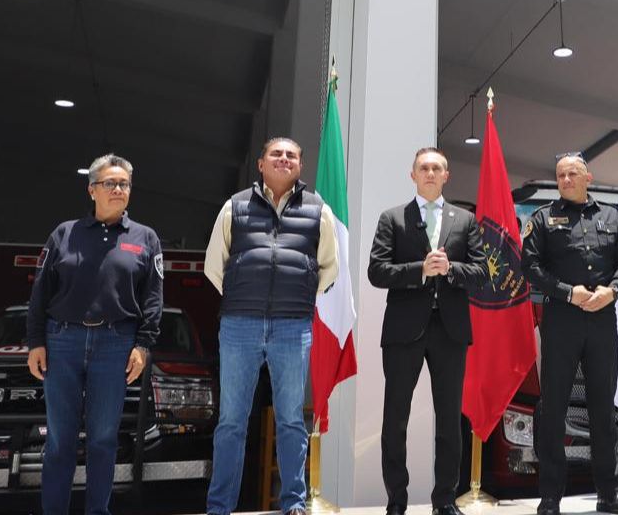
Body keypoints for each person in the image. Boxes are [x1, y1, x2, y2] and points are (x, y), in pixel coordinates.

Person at [202, 137, 339, 515]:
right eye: (276, 154)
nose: (283, 159)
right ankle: (219, 506)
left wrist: (302, 296)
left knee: (291, 419)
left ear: (300, 164)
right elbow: (215, 265)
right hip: (238, 326)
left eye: (291, 155)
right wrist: (241, 299)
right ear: (260, 163)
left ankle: (293, 503)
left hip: (293, 327)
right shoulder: (235, 206)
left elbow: (330, 266)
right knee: (231, 421)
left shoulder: (318, 209)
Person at [25, 153, 163, 515]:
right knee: (59, 441)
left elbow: (153, 298)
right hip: (62, 343)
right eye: (110, 183)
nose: (118, 189)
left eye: (124, 184)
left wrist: (143, 345)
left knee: (103, 440)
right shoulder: (64, 233)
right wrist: (36, 340)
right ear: (92, 190)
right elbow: (40, 291)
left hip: (115, 346)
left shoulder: (145, 238)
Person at [368, 147, 485, 515]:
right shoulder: (392, 218)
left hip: (450, 331)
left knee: (450, 419)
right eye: (424, 168)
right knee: (395, 418)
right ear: (413, 175)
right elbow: (377, 271)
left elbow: (482, 274)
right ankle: (396, 501)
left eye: (437, 168)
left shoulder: (465, 221)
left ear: (446, 175)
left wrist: (450, 269)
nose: (430, 173)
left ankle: (445, 500)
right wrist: (420, 269)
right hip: (405, 330)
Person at [521, 154, 618, 515]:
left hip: (603, 319)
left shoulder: (611, 217)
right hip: (561, 320)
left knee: (603, 409)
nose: (566, 178)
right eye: (560, 174)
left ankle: (609, 494)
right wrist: (568, 292)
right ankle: (551, 496)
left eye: (573, 173)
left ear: (588, 176)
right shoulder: (542, 219)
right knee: (554, 409)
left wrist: (613, 290)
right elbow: (530, 266)